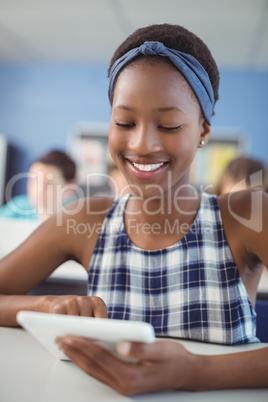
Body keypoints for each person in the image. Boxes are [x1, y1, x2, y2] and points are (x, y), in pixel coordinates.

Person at [0, 23, 267, 396]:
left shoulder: (247, 213)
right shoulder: (84, 219)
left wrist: (195, 371)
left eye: (169, 125)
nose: (142, 144)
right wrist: (43, 306)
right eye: (124, 122)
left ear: (204, 130)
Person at [0, 149, 77, 221]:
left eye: (48, 185)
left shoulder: (78, 214)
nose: (39, 191)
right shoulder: (18, 207)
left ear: (70, 188)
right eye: (33, 181)